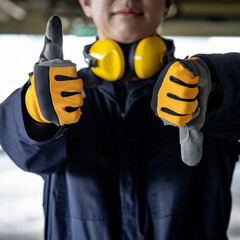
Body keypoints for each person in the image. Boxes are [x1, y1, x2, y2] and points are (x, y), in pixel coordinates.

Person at [0, 0, 239, 239]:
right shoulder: (60, 97)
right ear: (86, 4)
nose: (127, 0)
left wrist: (218, 85)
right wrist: (35, 119)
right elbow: (21, 150)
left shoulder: (203, 90)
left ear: (167, 4)